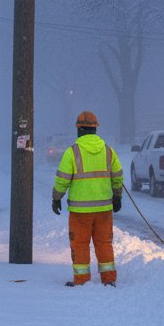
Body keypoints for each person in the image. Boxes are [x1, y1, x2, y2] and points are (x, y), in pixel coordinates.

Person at [51, 110, 124, 287]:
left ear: (79, 130)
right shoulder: (108, 151)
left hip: (80, 211)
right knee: (104, 243)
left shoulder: (72, 152)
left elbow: (62, 179)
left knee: (80, 244)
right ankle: (109, 279)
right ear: (95, 129)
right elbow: (118, 176)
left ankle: (82, 280)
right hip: (104, 209)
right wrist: (117, 196)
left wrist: (56, 198)